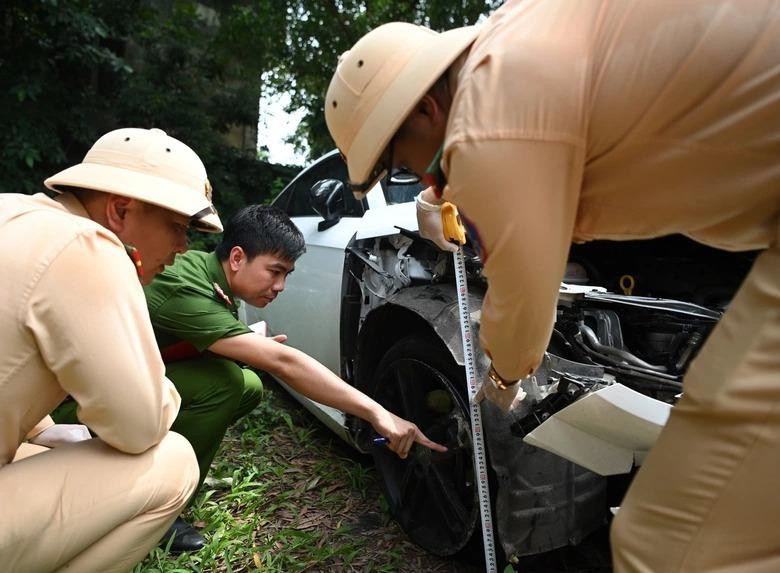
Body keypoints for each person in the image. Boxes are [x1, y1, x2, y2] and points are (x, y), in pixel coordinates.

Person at [323, 1, 780, 571]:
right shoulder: (518, 37)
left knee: (674, 541)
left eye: (398, 164)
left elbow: (517, 315)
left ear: (424, 109)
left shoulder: (487, 119)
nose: (418, 177)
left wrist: (502, 378)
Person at [0, 127, 223, 573]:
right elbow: (138, 427)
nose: (182, 248)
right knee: (172, 462)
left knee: (52, 455)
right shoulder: (89, 246)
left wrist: (42, 429)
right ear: (120, 210)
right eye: (177, 228)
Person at [131, 204, 447, 542]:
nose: (280, 286)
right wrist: (377, 412)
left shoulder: (207, 273)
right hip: (86, 404)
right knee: (225, 383)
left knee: (247, 385)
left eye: (287, 275)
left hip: (130, 379)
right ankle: (159, 510)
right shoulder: (188, 289)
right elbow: (284, 364)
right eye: (275, 271)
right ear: (237, 258)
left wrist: (244, 344)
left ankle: (156, 457)